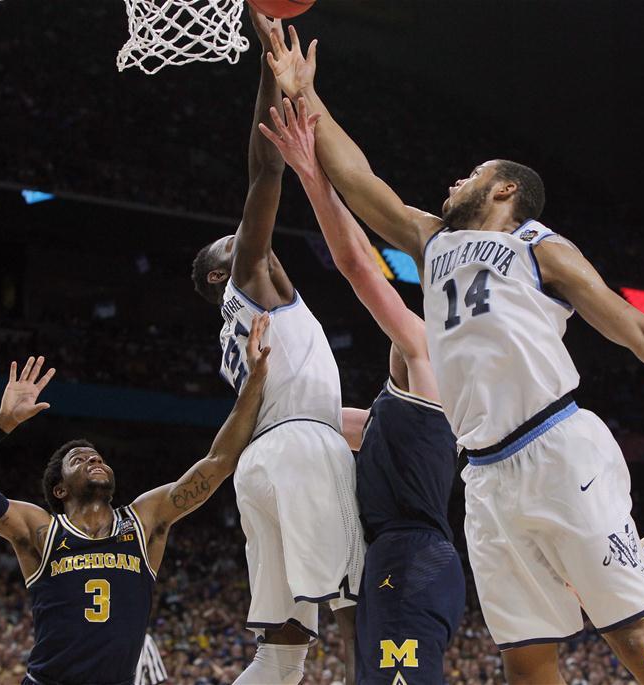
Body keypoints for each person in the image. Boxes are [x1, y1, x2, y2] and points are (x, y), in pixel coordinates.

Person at [261, 26, 644, 685]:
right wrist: (308, 94)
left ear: (505, 190)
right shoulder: (432, 241)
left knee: (632, 635)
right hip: (484, 475)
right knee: (527, 658)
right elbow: (361, 182)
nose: (458, 179)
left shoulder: (542, 248)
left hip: (557, 449)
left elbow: (641, 334)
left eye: (474, 174)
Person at [0, 314, 271, 685]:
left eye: (97, 457)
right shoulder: (41, 530)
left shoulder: (144, 519)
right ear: (60, 490)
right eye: (79, 459)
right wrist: (1, 423)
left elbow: (218, 462)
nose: (93, 459)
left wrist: (254, 381)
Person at [262, 100, 465, 684]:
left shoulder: (429, 353)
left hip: (410, 557)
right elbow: (317, 423)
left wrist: (309, 172)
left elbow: (356, 265)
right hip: (400, 557)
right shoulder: (388, 410)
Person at [189, 11, 363, 685]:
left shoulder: (248, 320)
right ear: (216, 272)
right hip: (299, 453)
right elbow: (265, 168)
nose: (242, 237)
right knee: (356, 605)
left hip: (264, 463)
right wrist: (270, 75)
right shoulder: (244, 278)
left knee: (283, 651)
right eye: (229, 242)